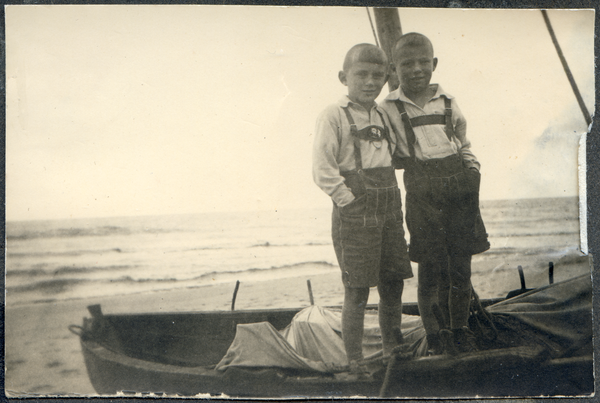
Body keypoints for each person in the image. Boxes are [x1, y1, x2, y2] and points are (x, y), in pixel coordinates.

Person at [380, 33, 490, 355]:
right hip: (422, 188)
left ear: (434, 64)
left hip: (459, 186)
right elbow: (385, 151)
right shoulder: (387, 107)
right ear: (394, 69)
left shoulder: (448, 101)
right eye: (407, 64)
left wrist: (472, 172)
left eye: (423, 63)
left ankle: (460, 329)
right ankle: (436, 334)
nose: (416, 69)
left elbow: (463, 143)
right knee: (429, 267)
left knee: (460, 266)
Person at [312, 43, 413, 371]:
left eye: (378, 76)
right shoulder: (333, 115)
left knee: (393, 282)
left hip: (389, 209)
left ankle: (392, 351)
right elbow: (322, 169)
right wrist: (348, 201)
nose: (371, 82)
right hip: (355, 213)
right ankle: (354, 361)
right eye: (362, 75)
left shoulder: (384, 112)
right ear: (344, 77)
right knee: (357, 289)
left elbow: (397, 152)